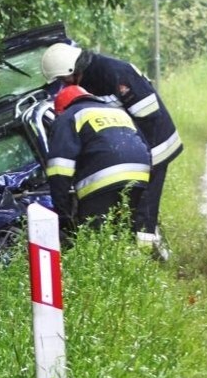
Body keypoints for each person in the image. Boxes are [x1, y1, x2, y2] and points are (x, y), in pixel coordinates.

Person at [72, 50, 182, 246]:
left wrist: (145, 155)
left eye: (67, 79)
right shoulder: (97, 74)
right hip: (143, 148)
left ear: (75, 70)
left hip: (156, 146)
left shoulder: (114, 73)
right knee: (136, 204)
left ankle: (146, 257)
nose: (68, 85)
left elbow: (148, 116)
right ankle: (141, 249)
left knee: (144, 205)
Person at [46, 84, 151, 236]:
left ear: (61, 110)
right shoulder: (118, 112)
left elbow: (59, 168)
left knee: (97, 236)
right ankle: (143, 256)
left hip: (102, 181)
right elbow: (145, 146)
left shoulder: (69, 116)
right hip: (140, 175)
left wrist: (62, 213)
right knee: (132, 229)